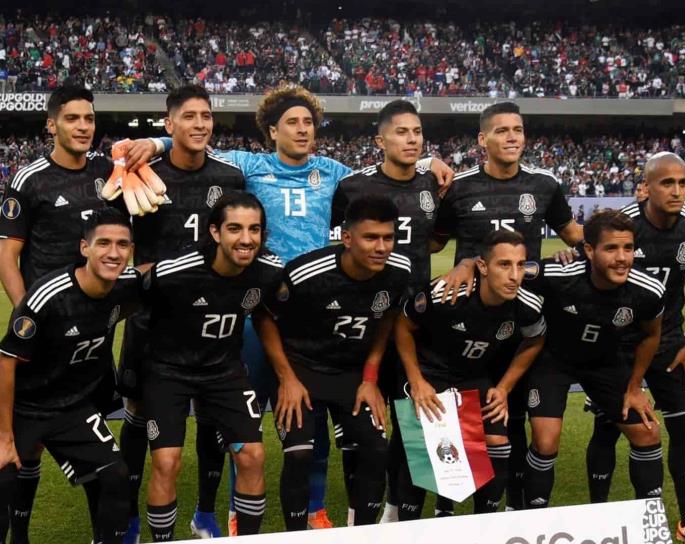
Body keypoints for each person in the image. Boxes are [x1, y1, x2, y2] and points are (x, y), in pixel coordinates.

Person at [129, 84, 452, 532]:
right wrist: (159, 141)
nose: (303, 130)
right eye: (293, 123)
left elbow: (383, 168)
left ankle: (315, 505)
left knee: (309, 416)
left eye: (309, 123)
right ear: (271, 130)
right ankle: (216, 510)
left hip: (312, 316)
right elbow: (197, 139)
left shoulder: (335, 172)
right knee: (231, 417)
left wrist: (424, 162)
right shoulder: (249, 165)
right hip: (255, 309)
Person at [0, 83, 160, 543]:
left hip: (92, 331)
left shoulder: (111, 173)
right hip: (43, 325)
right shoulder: (30, 180)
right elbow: (7, 256)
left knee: (93, 444)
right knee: (28, 446)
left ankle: (104, 534)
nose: (83, 127)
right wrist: (27, 316)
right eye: (72, 119)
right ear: (52, 124)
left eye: (89, 119)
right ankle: (19, 533)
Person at [432, 101, 583, 513]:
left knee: (511, 415)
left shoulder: (545, 185)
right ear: (483, 140)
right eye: (501, 131)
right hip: (468, 320)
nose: (512, 137)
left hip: (520, 318)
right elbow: (430, 242)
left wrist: (582, 251)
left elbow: (575, 236)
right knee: (464, 422)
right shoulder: (460, 187)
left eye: (517, 129)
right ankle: (449, 507)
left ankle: (509, 507)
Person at [114, 85, 246, 543]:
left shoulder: (230, 175)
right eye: (188, 116)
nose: (200, 124)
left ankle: (205, 513)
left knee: (211, 416)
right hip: (152, 319)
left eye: (206, 116)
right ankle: (128, 515)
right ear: (169, 126)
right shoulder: (141, 172)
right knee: (135, 413)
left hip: (212, 322)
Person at [0, 208, 142, 544]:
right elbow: (4, 363)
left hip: (71, 406)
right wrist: (5, 439)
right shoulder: (47, 297)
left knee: (116, 475)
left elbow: (152, 280)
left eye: (123, 245)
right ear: (85, 248)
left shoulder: (126, 287)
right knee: (3, 478)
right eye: (105, 243)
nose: (114, 253)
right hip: (23, 404)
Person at [585, 154, 685, 544]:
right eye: (668, 183)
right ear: (646, 186)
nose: (677, 190)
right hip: (619, 344)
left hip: (670, 343)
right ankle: (597, 513)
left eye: (683, 183)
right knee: (609, 427)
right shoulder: (624, 225)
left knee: (684, 427)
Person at [256, 195, 411, 530]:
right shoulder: (306, 273)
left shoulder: (399, 271)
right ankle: (296, 536)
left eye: (388, 238)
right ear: (347, 238)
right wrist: (286, 378)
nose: (381, 247)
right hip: (300, 369)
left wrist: (370, 377)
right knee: (299, 453)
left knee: (375, 448)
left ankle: (362, 534)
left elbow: (387, 319)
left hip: (351, 375)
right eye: (371, 238)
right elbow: (264, 316)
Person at [138, 193, 280, 541]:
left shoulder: (269, 271)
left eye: (254, 229)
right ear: (215, 232)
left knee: (252, 456)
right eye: (235, 229)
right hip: (169, 371)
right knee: (167, 461)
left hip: (224, 372)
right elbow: (128, 295)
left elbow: (268, 313)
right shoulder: (177, 271)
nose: (246, 239)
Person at [330, 99, 442, 523]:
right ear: (380, 140)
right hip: (367, 322)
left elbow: (436, 239)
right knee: (363, 423)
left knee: (411, 419)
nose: (411, 140)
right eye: (401, 132)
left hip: (416, 322)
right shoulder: (354, 188)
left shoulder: (431, 185)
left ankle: (397, 509)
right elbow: (336, 248)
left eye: (417, 133)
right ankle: (359, 514)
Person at [393, 229, 546, 519]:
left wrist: (503, 388)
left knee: (499, 443)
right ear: (483, 266)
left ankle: (483, 524)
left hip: (472, 375)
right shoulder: (447, 292)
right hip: (428, 371)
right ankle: (407, 526)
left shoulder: (527, 305)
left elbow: (535, 340)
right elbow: (403, 325)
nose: (515, 275)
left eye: (520, 265)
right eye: (504, 265)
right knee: (424, 452)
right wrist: (416, 381)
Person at [522, 210, 665, 509]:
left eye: (628, 248)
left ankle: (650, 522)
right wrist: (470, 264)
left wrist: (635, 386)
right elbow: (505, 272)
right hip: (553, 361)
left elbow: (651, 335)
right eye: (611, 248)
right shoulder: (559, 273)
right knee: (546, 442)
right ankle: (534, 521)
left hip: (605, 362)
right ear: (588, 250)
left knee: (648, 433)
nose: (622, 257)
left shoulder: (648, 290)